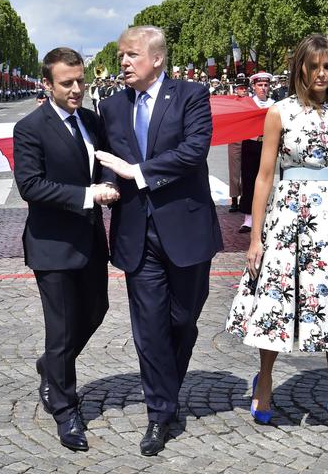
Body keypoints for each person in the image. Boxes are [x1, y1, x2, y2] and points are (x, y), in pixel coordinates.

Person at [226, 34, 328, 453]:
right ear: (300, 67)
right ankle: (265, 379)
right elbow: (263, 177)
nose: (320, 74)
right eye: (313, 66)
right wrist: (256, 236)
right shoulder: (279, 112)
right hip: (287, 219)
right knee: (277, 305)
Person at [95, 26, 223, 456]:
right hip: (136, 233)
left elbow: (194, 151)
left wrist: (137, 173)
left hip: (186, 230)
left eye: (131, 55)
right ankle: (160, 413)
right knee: (148, 330)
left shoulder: (191, 96)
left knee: (182, 321)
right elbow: (107, 157)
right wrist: (109, 182)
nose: (124, 63)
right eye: (120, 57)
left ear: (157, 59)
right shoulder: (111, 105)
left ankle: (166, 393)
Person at [13, 47, 119, 452]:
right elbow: (31, 185)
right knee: (59, 331)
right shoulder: (30, 128)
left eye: (80, 81)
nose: (77, 89)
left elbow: (106, 159)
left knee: (96, 310)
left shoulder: (91, 120)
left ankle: (51, 368)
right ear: (47, 84)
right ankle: (64, 407)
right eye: (67, 83)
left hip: (91, 239)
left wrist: (108, 179)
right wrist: (89, 195)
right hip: (52, 244)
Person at [238, 72, 275, 232]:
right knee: (248, 180)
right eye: (260, 85)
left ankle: (263, 216)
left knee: (265, 181)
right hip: (250, 144)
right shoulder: (247, 104)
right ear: (253, 86)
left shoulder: (274, 105)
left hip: (267, 146)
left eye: (266, 85)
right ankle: (248, 218)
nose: (263, 88)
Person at [227, 77, 250, 212]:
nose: (243, 90)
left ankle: (245, 199)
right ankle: (234, 199)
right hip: (235, 139)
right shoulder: (232, 102)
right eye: (241, 88)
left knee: (247, 171)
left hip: (248, 139)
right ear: (236, 89)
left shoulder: (251, 102)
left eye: (245, 88)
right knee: (234, 171)